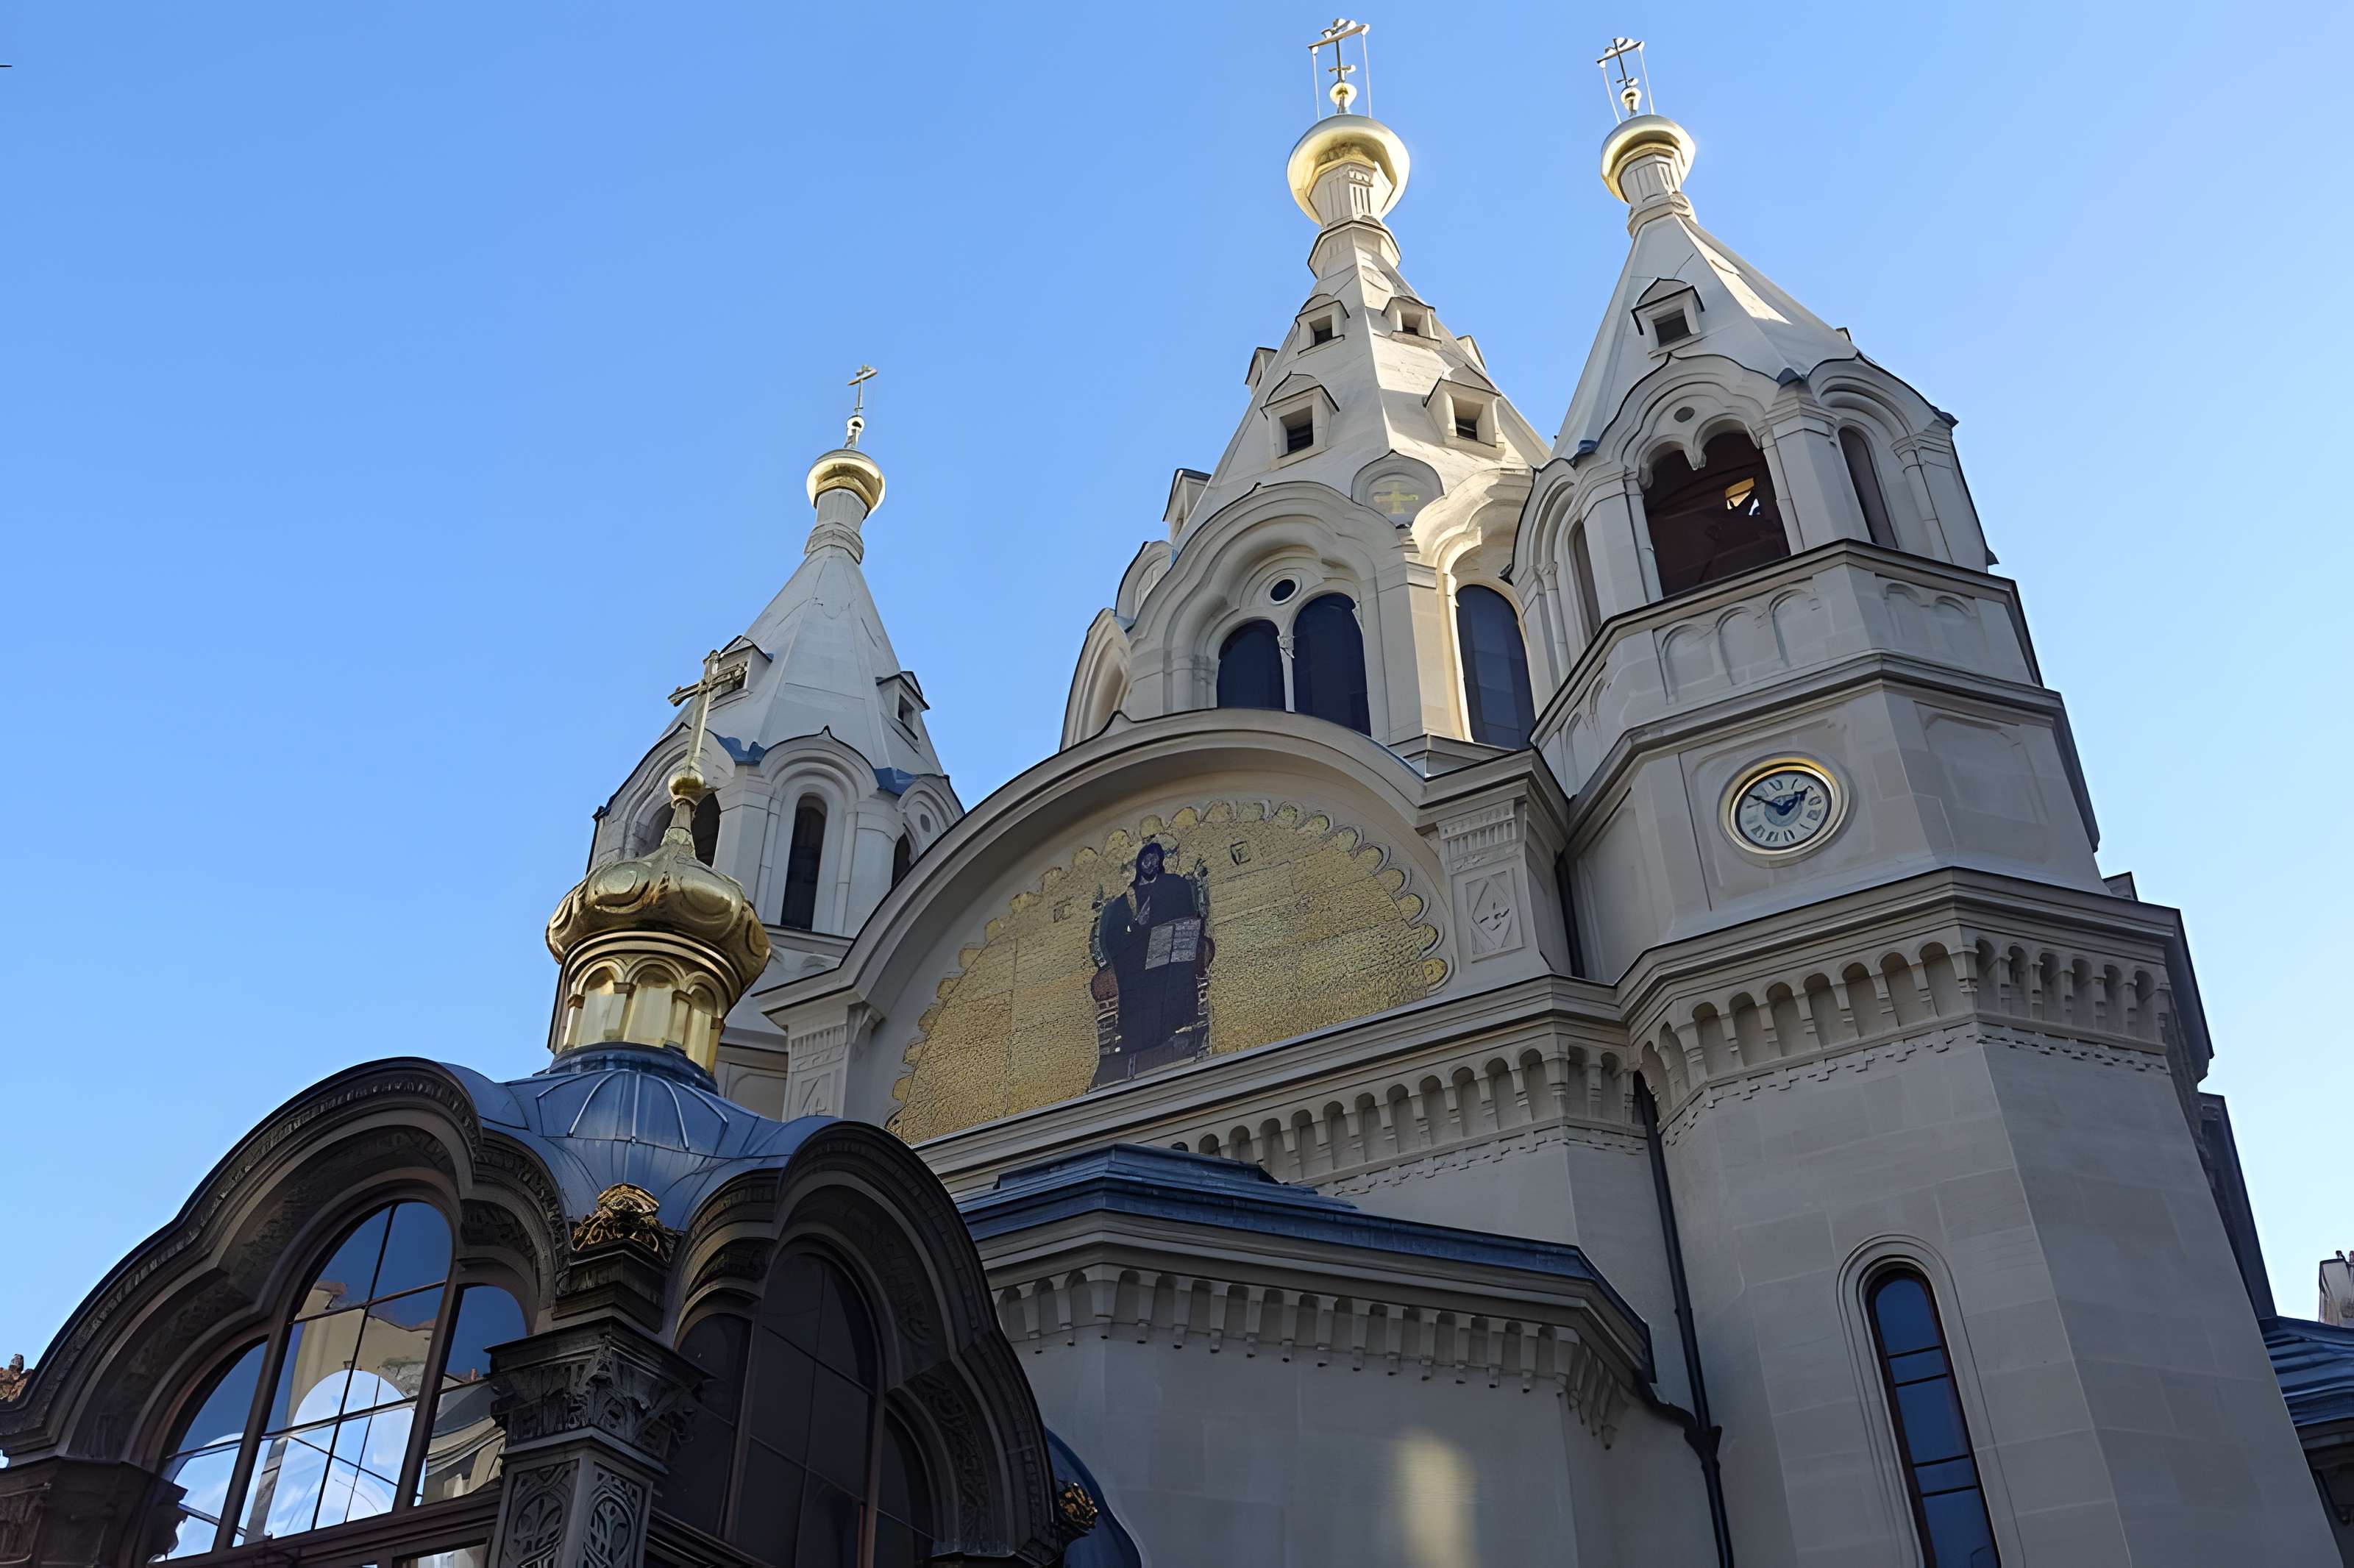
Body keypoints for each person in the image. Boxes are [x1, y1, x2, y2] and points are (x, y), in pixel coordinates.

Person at [1089, 841, 1212, 1086]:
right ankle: (1138, 1041)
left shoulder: (1172, 887)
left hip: (1167, 951)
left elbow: (1186, 913)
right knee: (1138, 978)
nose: (1152, 864)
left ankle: (1180, 1028)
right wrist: (1136, 927)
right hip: (1133, 960)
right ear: (1138, 863)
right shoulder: (1125, 900)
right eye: (1147, 860)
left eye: (1156, 860)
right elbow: (1113, 938)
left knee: (1178, 966)